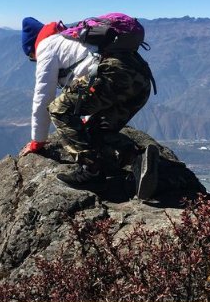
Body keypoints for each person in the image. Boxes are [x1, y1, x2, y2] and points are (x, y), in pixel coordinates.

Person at [19, 16, 158, 199]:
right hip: (141, 81)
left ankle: (91, 172)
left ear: (32, 48)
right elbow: (85, 92)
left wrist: (38, 141)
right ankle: (138, 158)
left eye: (32, 58)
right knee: (95, 130)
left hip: (112, 74)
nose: (34, 60)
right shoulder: (73, 38)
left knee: (58, 109)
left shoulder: (47, 45)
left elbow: (43, 97)